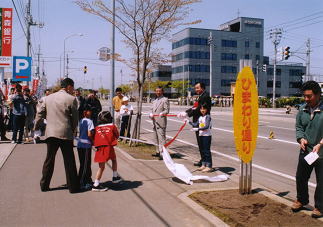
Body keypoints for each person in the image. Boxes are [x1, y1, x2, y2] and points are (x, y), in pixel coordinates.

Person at [34, 78, 80, 193]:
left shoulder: (47, 98)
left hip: (51, 133)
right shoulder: (71, 99)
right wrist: (74, 130)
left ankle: (44, 185)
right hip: (65, 133)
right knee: (69, 160)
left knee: (49, 159)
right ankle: (73, 187)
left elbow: (40, 113)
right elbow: (75, 119)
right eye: (72, 87)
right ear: (69, 86)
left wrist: (36, 127)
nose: (73, 90)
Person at [291, 81, 323, 218]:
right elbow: (299, 127)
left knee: (322, 181)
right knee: (300, 177)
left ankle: (320, 207)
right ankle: (301, 200)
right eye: (304, 96)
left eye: (309, 96)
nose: (306, 99)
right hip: (306, 151)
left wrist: (321, 143)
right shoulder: (302, 110)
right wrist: (301, 138)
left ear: (318, 95)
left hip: (321, 152)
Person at [178, 82, 211, 166]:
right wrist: (185, 112)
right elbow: (195, 107)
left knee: (203, 143)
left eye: (197, 88)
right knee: (200, 143)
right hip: (198, 121)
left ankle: (207, 163)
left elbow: (199, 109)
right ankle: (203, 161)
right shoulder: (201, 96)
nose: (196, 89)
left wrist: (188, 114)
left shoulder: (205, 96)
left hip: (202, 122)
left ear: (202, 88)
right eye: (195, 88)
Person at [92, 111, 121, 192]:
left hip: (100, 148)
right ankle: (114, 177)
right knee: (114, 160)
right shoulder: (112, 126)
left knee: (101, 167)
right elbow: (117, 135)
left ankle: (96, 183)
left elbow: (94, 136)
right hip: (109, 146)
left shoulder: (97, 127)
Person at [189, 103, 213, 172]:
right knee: (202, 150)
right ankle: (203, 164)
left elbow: (206, 126)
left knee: (207, 151)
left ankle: (209, 166)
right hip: (201, 135)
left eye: (204, 109)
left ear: (207, 109)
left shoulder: (208, 117)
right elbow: (195, 124)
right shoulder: (200, 117)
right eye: (201, 109)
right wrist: (188, 121)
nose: (202, 110)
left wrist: (197, 129)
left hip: (207, 136)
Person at [149, 87, 169, 159]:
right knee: (155, 138)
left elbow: (167, 110)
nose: (158, 92)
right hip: (154, 121)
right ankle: (157, 151)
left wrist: (162, 113)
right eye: (156, 91)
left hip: (161, 121)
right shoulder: (154, 100)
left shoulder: (165, 99)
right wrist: (150, 115)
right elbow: (152, 110)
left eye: (159, 91)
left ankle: (163, 153)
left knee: (162, 138)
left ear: (162, 91)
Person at [77, 109, 94, 189]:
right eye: (88, 111)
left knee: (83, 164)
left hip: (80, 144)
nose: (89, 112)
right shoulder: (90, 121)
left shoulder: (81, 121)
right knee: (85, 165)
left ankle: (88, 180)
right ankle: (82, 181)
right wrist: (92, 141)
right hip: (86, 145)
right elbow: (90, 134)